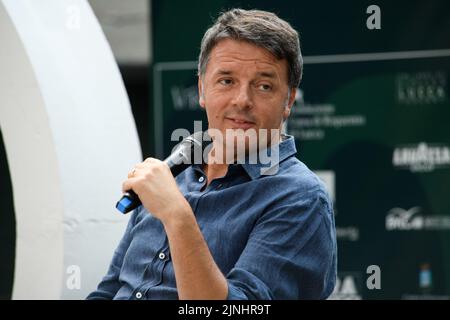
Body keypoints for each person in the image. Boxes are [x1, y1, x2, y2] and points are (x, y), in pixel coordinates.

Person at [87, 8, 336, 300]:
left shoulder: (300, 198)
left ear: (288, 101)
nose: (242, 100)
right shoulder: (173, 175)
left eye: (264, 86)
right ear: (202, 89)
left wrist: (178, 216)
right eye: (227, 81)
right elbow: (110, 289)